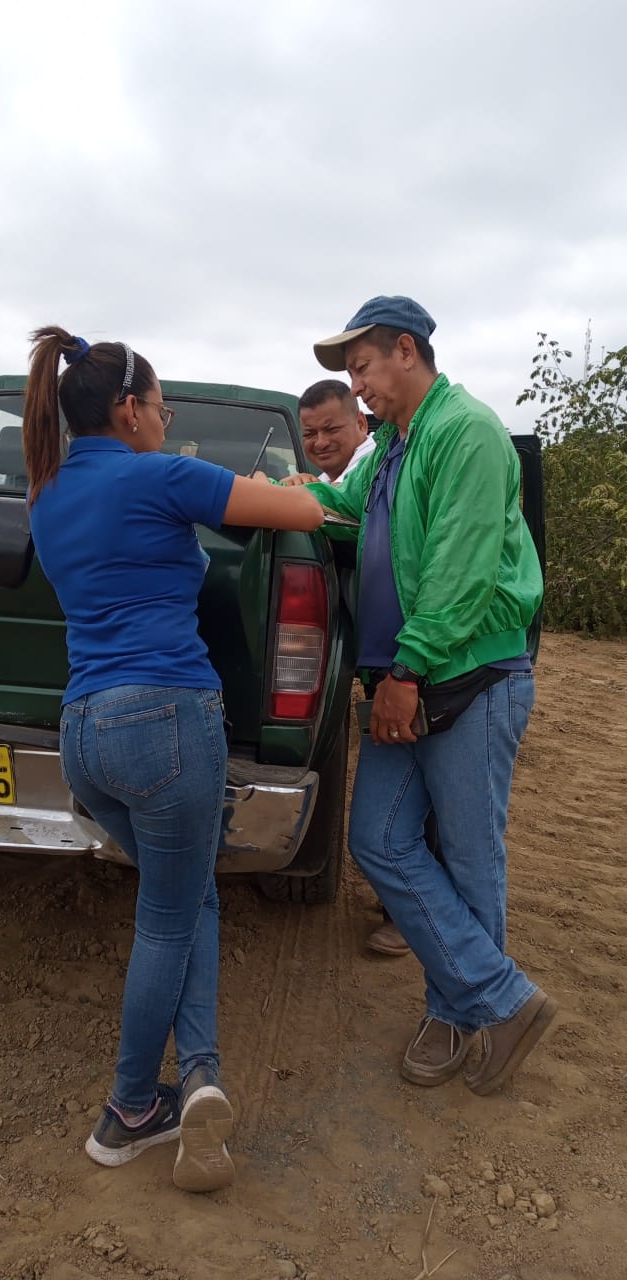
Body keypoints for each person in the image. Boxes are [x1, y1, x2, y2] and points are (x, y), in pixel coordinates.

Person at [22, 328, 323, 1191]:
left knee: (187, 896)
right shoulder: (158, 475)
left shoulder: (46, 494)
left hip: (84, 734)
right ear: (129, 410)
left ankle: (197, 1078)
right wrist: (289, 487)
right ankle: (126, 1110)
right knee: (167, 915)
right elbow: (304, 517)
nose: (166, 420)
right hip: (166, 723)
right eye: (161, 407)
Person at [303, 295, 556, 1094]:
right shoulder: (392, 446)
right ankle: (501, 1000)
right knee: (379, 839)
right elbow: (345, 509)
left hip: (467, 677)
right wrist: (279, 491)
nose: (357, 385)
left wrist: (406, 673)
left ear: (405, 351)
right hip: (409, 681)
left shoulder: (465, 431)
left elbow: (460, 571)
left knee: (471, 856)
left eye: (363, 367)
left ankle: (454, 1014)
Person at [287, 380, 412, 957]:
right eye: (310, 433)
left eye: (332, 428)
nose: (320, 441)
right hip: (382, 658)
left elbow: (350, 520)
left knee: (416, 786)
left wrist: (295, 494)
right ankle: (405, 907)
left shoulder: (375, 465)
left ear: (362, 425)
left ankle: (410, 916)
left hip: (410, 657)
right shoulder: (345, 477)